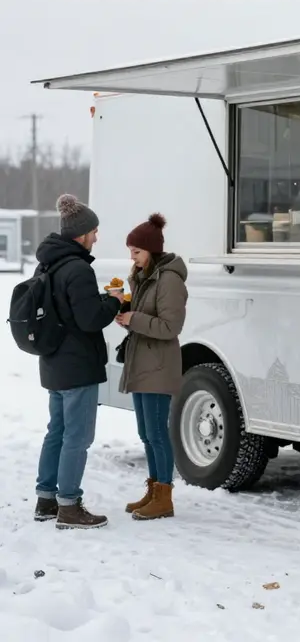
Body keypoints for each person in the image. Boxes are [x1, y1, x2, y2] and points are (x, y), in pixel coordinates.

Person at [34, 194, 123, 529]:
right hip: (78, 365)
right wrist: (113, 302)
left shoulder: (48, 264)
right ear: (81, 233)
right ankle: (69, 506)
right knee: (77, 437)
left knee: (56, 431)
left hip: (54, 361)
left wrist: (98, 300)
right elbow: (88, 320)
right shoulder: (79, 268)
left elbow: (67, 310)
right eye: (94, 232)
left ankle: (46, 499)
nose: (96, 237)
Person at [115, 213, 188, 520]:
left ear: (152, 251)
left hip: (158, 365)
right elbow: (144, 320)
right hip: (141, 363)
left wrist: (135, 319)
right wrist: (124, 308)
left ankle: (165, 496)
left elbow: (171, 326)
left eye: (137, 252)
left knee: (158, 433)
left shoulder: (169, 280)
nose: (132, 257)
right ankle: (154, 489)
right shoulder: (144, 278)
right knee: (146, 433)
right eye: (131, 251)